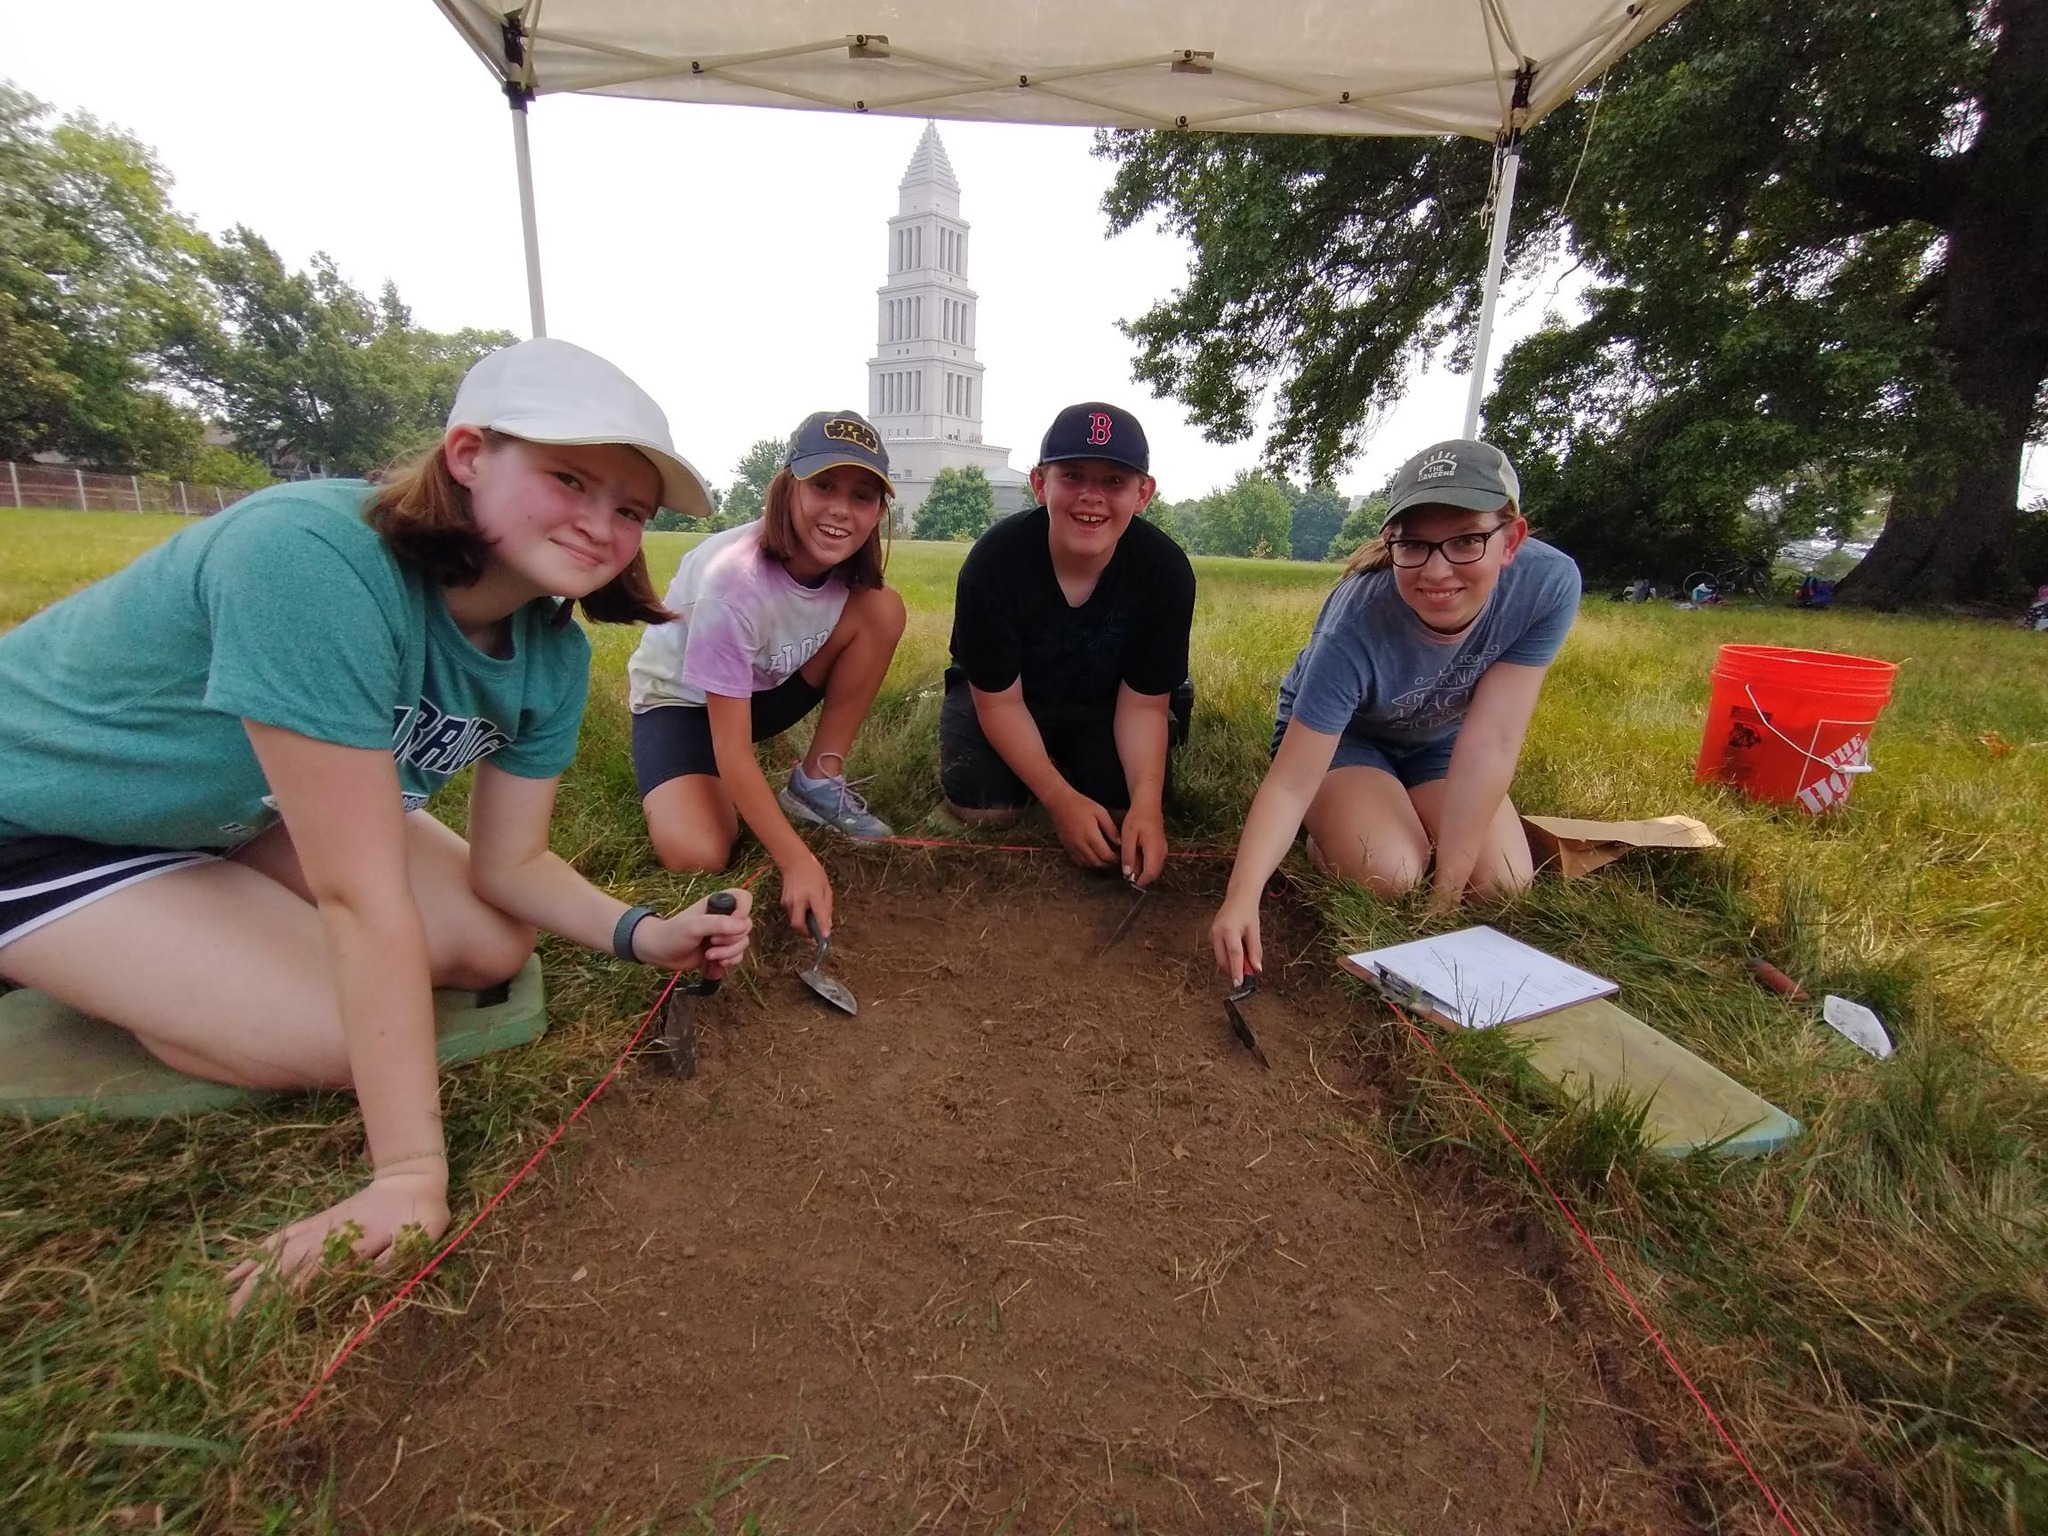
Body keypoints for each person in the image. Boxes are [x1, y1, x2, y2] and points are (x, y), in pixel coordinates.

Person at [0, 338, 754, 1306]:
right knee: (326, 1031)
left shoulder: (547, 653)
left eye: (629, 510)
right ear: (469, 454)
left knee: (486, 943)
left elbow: (512, 861)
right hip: (47, 822)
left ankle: (180, 934)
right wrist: (408, 1176)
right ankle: (94, 953)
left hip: (225, 818)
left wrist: (645, 934)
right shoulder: (309, 557)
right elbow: (360, 895)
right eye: (568, 477)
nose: (599, 524)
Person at [1209, 439, 1580, 985]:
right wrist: (1242, 897)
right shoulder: (1356, 619)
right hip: (1347, 742)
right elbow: (1290, 782)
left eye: (1466, 541)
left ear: (1510, 540)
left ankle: (1398, 813)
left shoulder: (1548, 586)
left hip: (1442, 743)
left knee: (1500, 884)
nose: (1436, 571)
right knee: (1391, 872)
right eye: (1415, 545)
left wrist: (1447, 895)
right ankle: (1332, 833)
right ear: (1391, 541)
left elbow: (1493, 739)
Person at [627, 411, 907, 937]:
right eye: (823, 485)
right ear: (787, 487)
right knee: (698, 852)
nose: (841, 511)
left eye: (862, 496)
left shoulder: (844, 570)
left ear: (878, 511)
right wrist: (795, 859)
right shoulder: (731, 583)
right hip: (683, 706)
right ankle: (692, 783)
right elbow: (731, 748)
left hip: (765, 692)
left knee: (883, 608)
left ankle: (816, 784)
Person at [937, 402, 1196, 887]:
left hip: (1110, 698)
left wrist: (1148, 805)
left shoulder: (1165, 570)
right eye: (1073, 476)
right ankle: (1045, 767)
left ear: (1143, 494)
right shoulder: (994, 562)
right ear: (1040, 485)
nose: (1091, 497)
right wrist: (1060, 800)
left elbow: (1141, 708)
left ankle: (1158, 723)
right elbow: (1000, 701)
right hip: (1012, 696)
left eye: (1114, 482)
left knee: (1120, 816)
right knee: (983, 810)